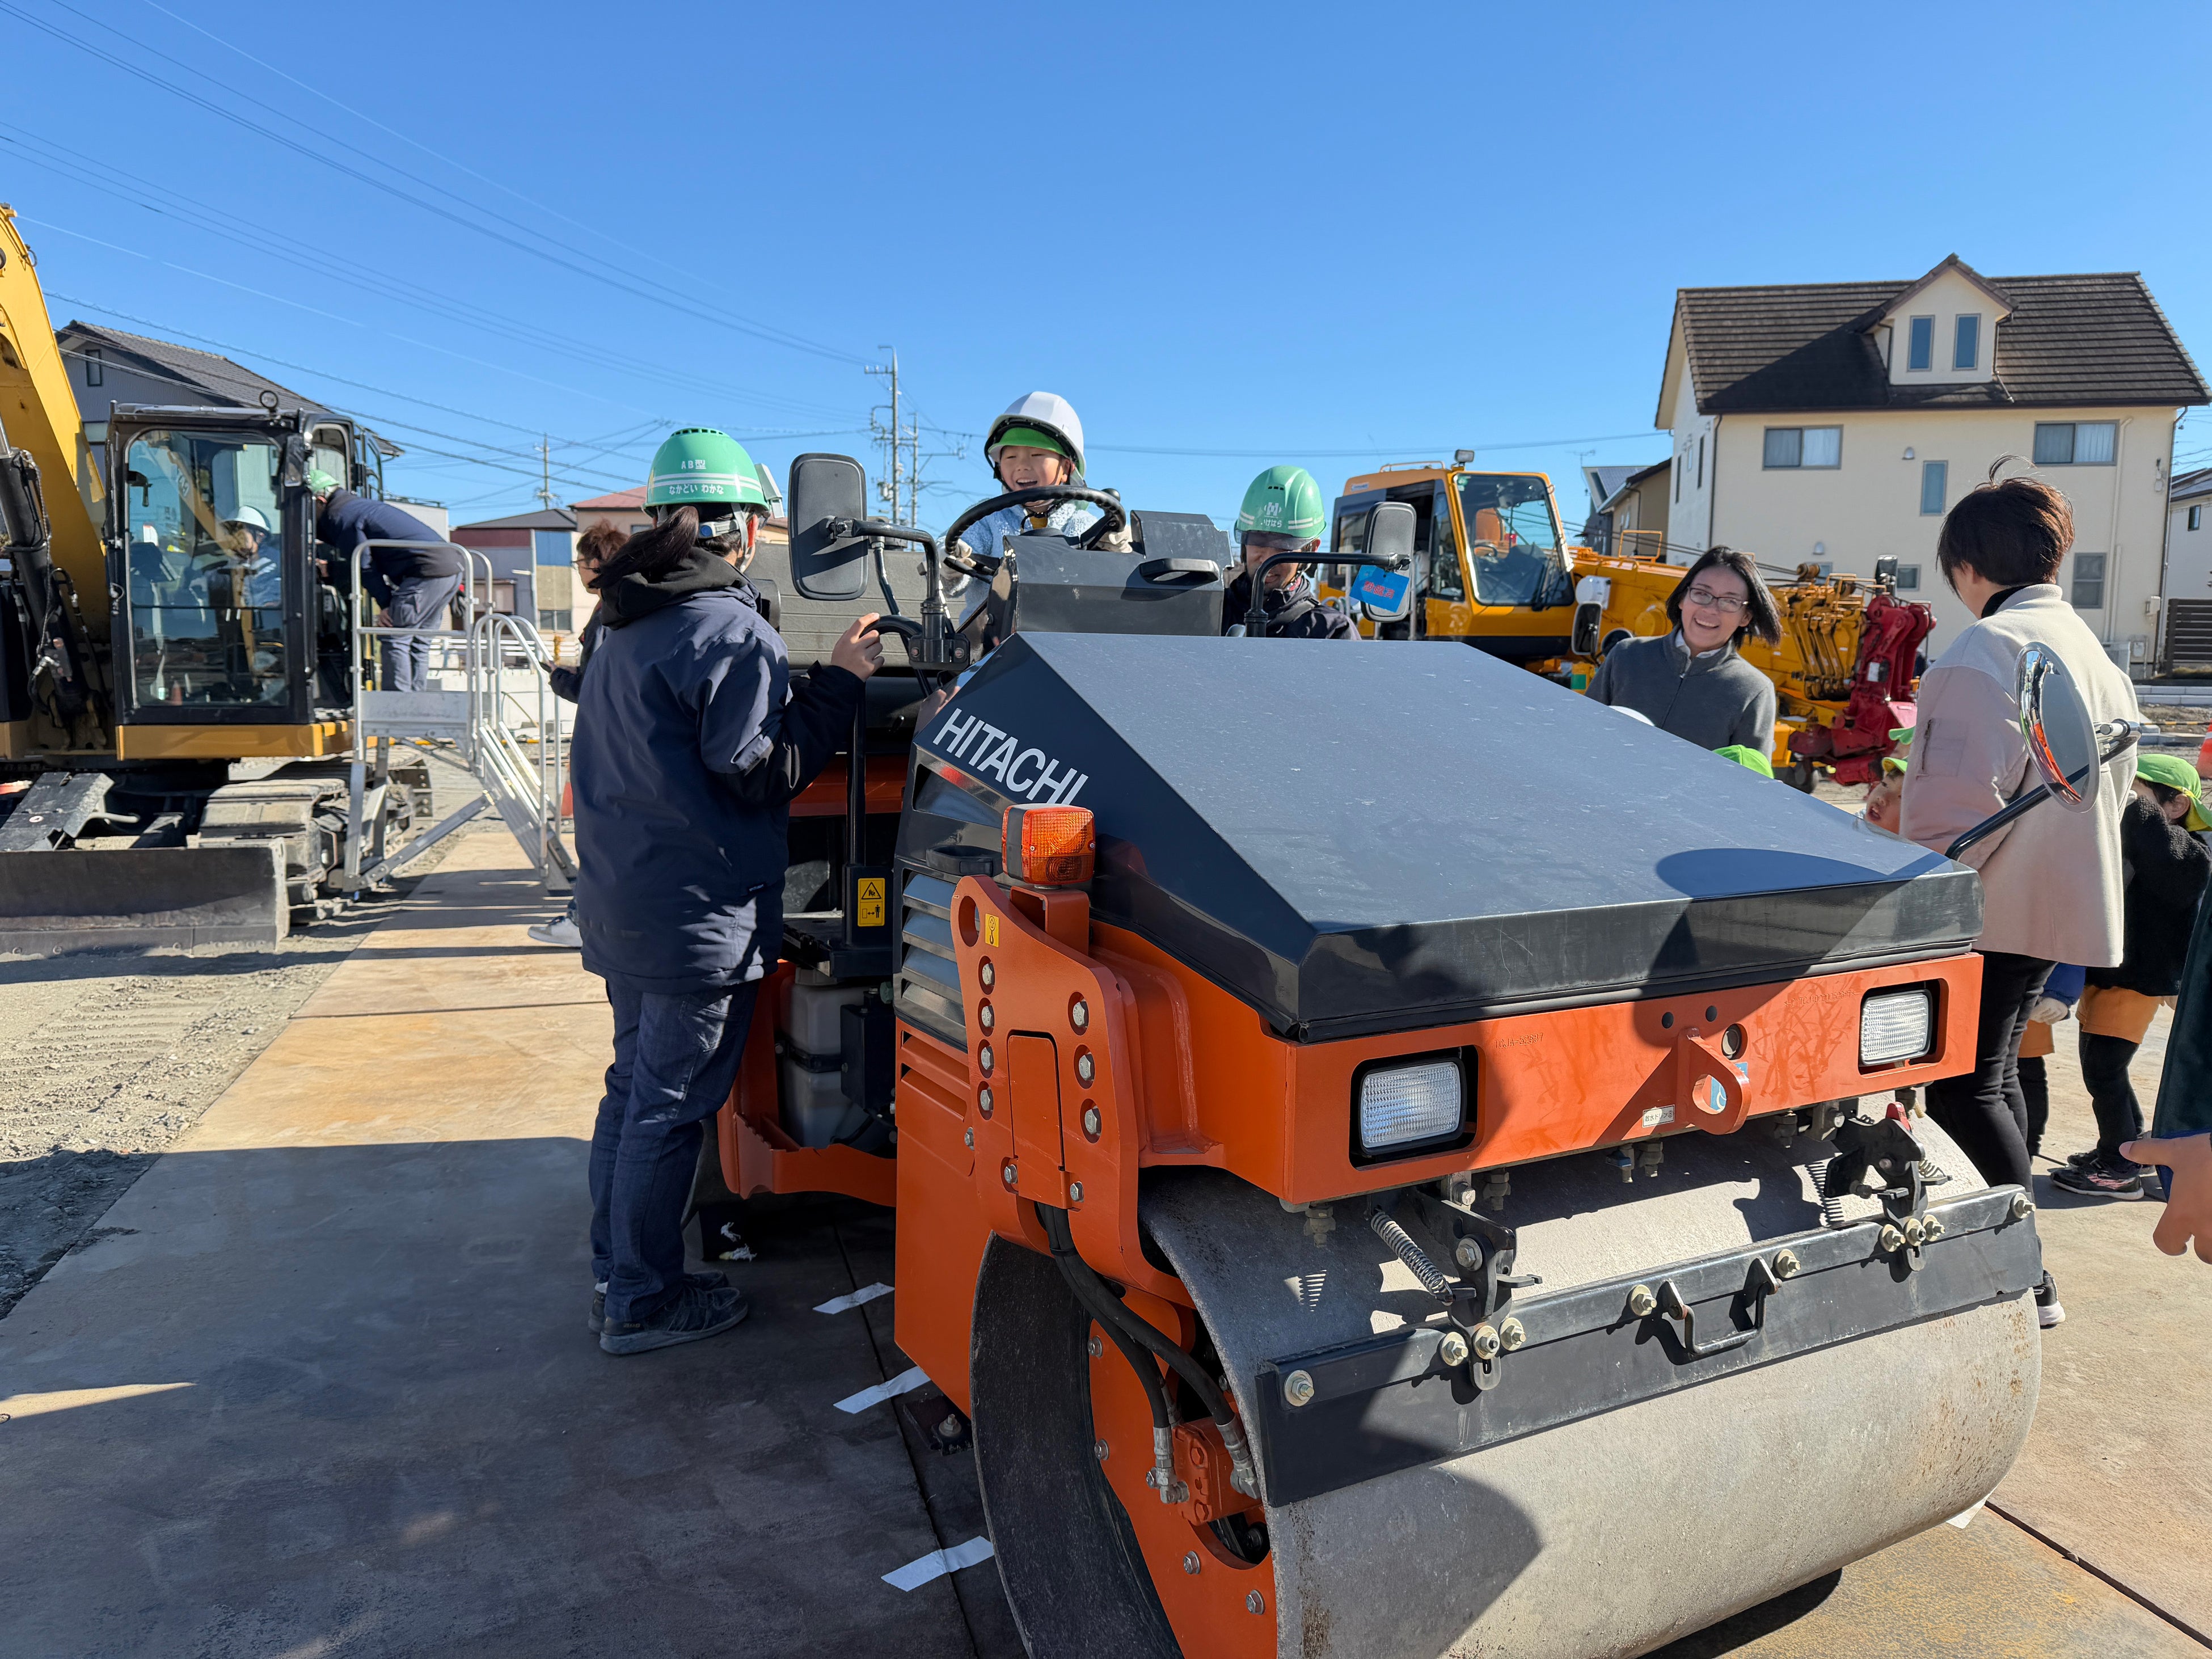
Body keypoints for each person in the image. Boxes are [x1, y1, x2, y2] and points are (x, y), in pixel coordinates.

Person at [571, 427, 883, 1356]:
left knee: (634, 1092)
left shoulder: (622, 617)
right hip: (696, 915)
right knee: (669, 1108)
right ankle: (644, 1300)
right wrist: (840, 684)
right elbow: (760, 770)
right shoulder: (728, 628)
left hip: (628, 901)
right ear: (746, 528)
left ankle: (615, 1271)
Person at [1899, 467, 2141, 1328]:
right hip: (2056, 904)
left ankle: (2020, 1273)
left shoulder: (1983, 650)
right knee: (1992, 1075)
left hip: (1984, 907)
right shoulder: (2093, 651)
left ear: (1968, 566)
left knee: (1965, 1086)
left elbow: (1955, 812)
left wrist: (1911, 890)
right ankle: (2019, 1269)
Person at [2050, 754, 2210, 1198]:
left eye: (2134, 792)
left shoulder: (2188, 853)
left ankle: (2119, 1167)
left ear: (2176, 805)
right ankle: (2125, 1146)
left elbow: (2172, 864)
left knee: (2105, 1069)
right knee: (2099, 1066)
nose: (2121, 800)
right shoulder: (2136, 842)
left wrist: (2133, 803)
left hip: (2138, 980)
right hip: (2110, 974)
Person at [529, 521, 625, 951]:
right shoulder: (631, 603)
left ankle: (581, 920)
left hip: (605, 742)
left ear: (597, 563)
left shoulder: (609, 609)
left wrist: (560, 679)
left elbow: (597, 688)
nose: (579, 571)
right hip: (624, 740)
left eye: (580, 563)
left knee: (599, 836)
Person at [1585, 547, 1782, 752]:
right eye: (1702, 593)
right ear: (1682, 598)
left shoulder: (1753, 690)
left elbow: (1748, 771)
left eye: (1730, 601)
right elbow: (1583, 730)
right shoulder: (1627, 656)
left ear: (1746, 617)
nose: (1711, 609)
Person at [308, 468, 465, 693]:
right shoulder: (355, 506)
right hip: (451, 567)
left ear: (320, 501)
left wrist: (386, 604)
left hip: (426, 572)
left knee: (394, 635)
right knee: (419, 641)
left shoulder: (340, 515)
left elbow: (364, 564)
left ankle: (396, 705)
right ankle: (415, 702)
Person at [1223, 465, 1355, 640]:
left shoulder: (1332, 632)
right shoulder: (1207, 611)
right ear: (1244, 544)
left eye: (1284, 546)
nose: (1268, 559)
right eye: (1258, 541)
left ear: (1311, 549)